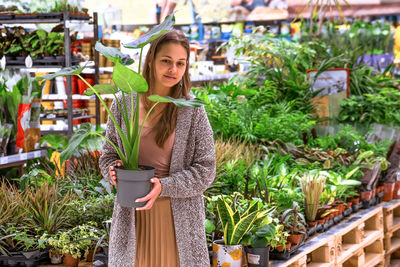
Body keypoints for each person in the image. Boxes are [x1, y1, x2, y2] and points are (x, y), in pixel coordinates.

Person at [99, 29, 216, 267]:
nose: (173, 70)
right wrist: (112, 168)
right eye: (166, 61)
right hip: (132, 219)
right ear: (150, 60)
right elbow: (108, 154)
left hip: (178, 223)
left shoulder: (191, 109)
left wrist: (164, 186)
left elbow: (206, 169)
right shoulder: (124, 102)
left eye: (180, 63)